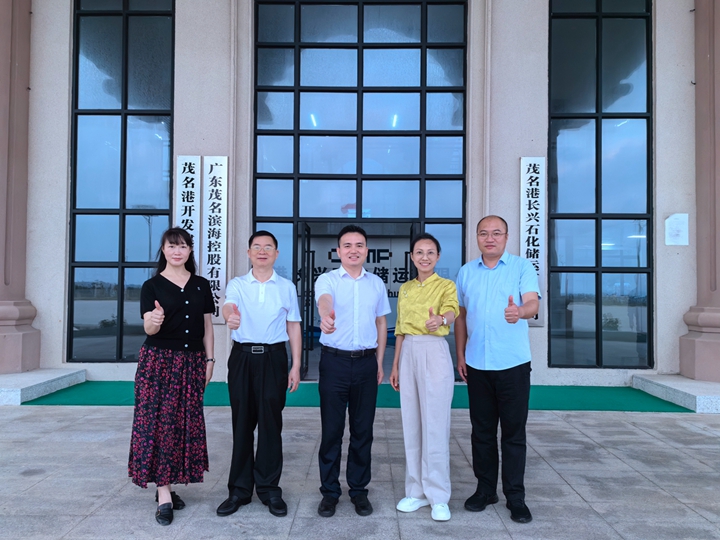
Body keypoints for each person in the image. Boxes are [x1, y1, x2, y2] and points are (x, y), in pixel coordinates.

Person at [455, 215, 540, 524]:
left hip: (512, 364)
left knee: (513, 433)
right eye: (483, 233)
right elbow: (461, 316)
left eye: (496, 233)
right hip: (477, 364)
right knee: (482, 432)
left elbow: (533, 303)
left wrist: (520, 311)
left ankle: (515, 496)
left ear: (506, 237)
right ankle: (485, 489)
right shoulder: (466, 272)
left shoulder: (521, 267)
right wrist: (460, 354)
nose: (489, 238)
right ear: (477, 237)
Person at [128, 227, 215, 526]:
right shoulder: (151, 286)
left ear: (190, 251)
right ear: (163, 250)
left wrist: (210, 360)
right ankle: (163, 492)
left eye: (183, 246)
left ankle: (168, 482)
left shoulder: (201, 285)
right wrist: (154, 320)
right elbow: (149, 328)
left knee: (182, 425)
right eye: (171, 246)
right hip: (158, 363)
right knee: (157, 425)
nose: (177, 251)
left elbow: (207, 326)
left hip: (192, 363)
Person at [216, 231, 302, 518]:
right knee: (241, 424)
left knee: (270, 424)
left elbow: (293, 326)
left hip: (274, 358)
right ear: (248, 253)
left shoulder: (286, 287)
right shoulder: (238, 284)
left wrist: (296, 365)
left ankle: (269, 489)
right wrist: (230, 317)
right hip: (242, 358)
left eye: (268, 247)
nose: (262, 251)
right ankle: (239, 491)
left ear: (276, 253)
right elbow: (228, 305)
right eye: (256, 246)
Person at [314, 225, 391, 518]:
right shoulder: (328, 279)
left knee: (363, 431)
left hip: (366, 363)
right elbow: (324, 301)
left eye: (359, 245)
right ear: (338, 251)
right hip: (334, 363)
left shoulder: (376, 283)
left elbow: (381, 323)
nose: (353, 250)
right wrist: (325, 315)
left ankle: (358, 491)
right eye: (347, 245)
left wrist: (379, 363)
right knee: (332, 431)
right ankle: (329, 492)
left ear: (366, 250)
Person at [389, 233, 459, 522]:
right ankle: (415, 491)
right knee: (412, 423)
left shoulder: (446, 285)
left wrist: (440, 319)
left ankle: (438, 496)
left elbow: (453, 311)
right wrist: (395, 365)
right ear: (412, 257)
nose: (425, 257)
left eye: (430, 252)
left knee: (435, 424)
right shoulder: (405, 288)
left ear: (438, 256)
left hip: (434, 350)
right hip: (408, 351)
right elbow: (400, 329)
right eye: (419, 252)